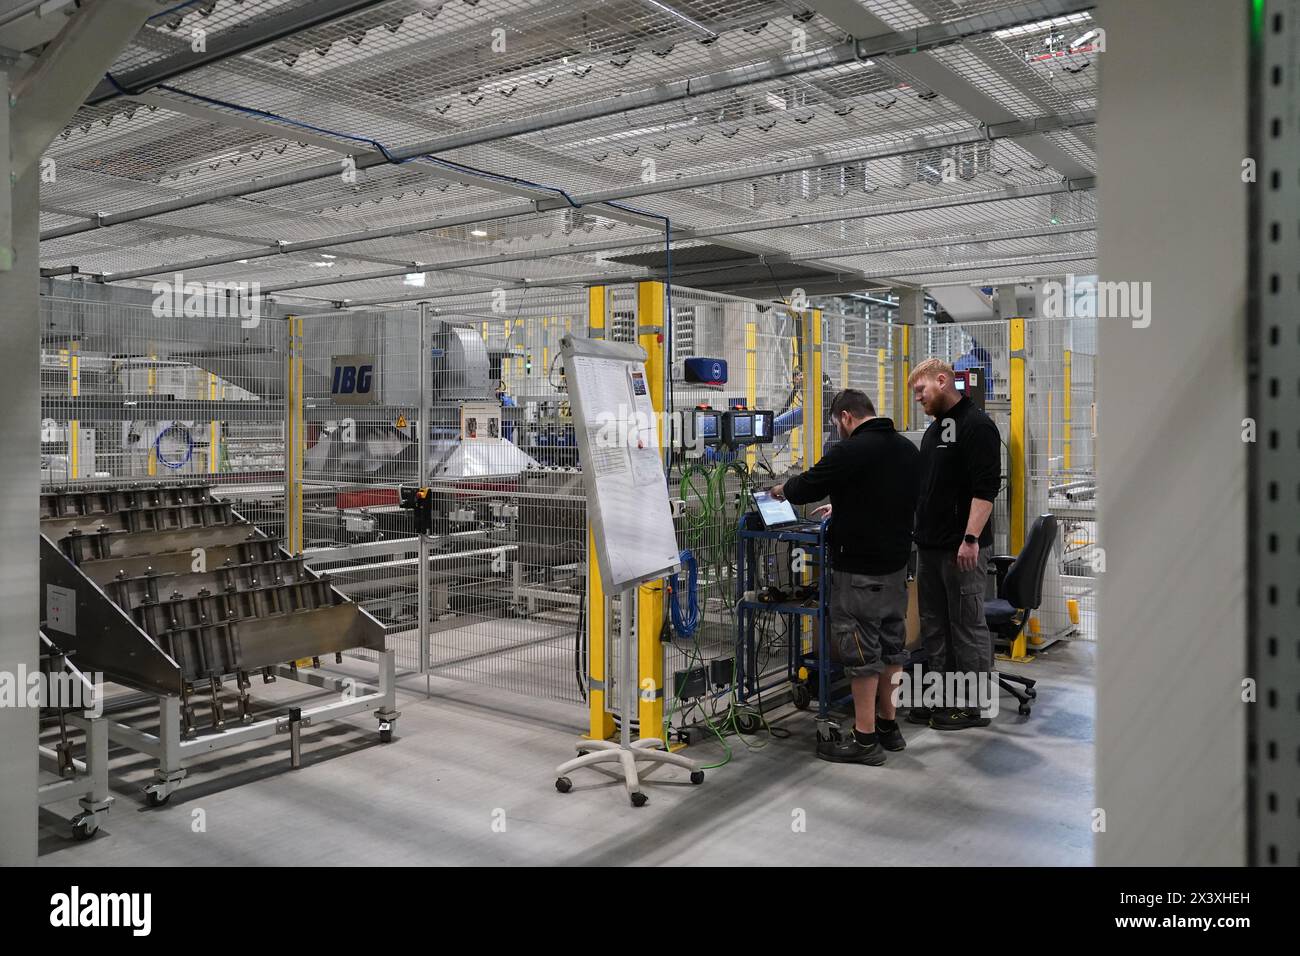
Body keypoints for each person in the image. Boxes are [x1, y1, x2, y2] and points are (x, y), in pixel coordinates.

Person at [770, 389, 919, 765]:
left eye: (837, 424)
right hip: (897, 569)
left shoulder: (849, 451)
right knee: (892, 648)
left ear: (847, 417)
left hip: (859, 573)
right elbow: (888, 494)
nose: (838, 430)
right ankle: (889, 725)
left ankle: (864, 739)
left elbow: (808, 484)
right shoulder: (906, 450)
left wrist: (780, 490)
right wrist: (845, 504)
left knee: (861, 653)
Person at [907, 357, 1001, 730]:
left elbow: (986, 490)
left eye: (921, 390)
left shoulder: (978, 426)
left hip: (962, 549)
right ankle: (943, 698)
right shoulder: (934, 431)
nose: (918, 398)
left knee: (965, 625)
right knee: (935, 625)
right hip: (930, 548)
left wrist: (970, 538)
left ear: (942, 380)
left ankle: (974, 705)